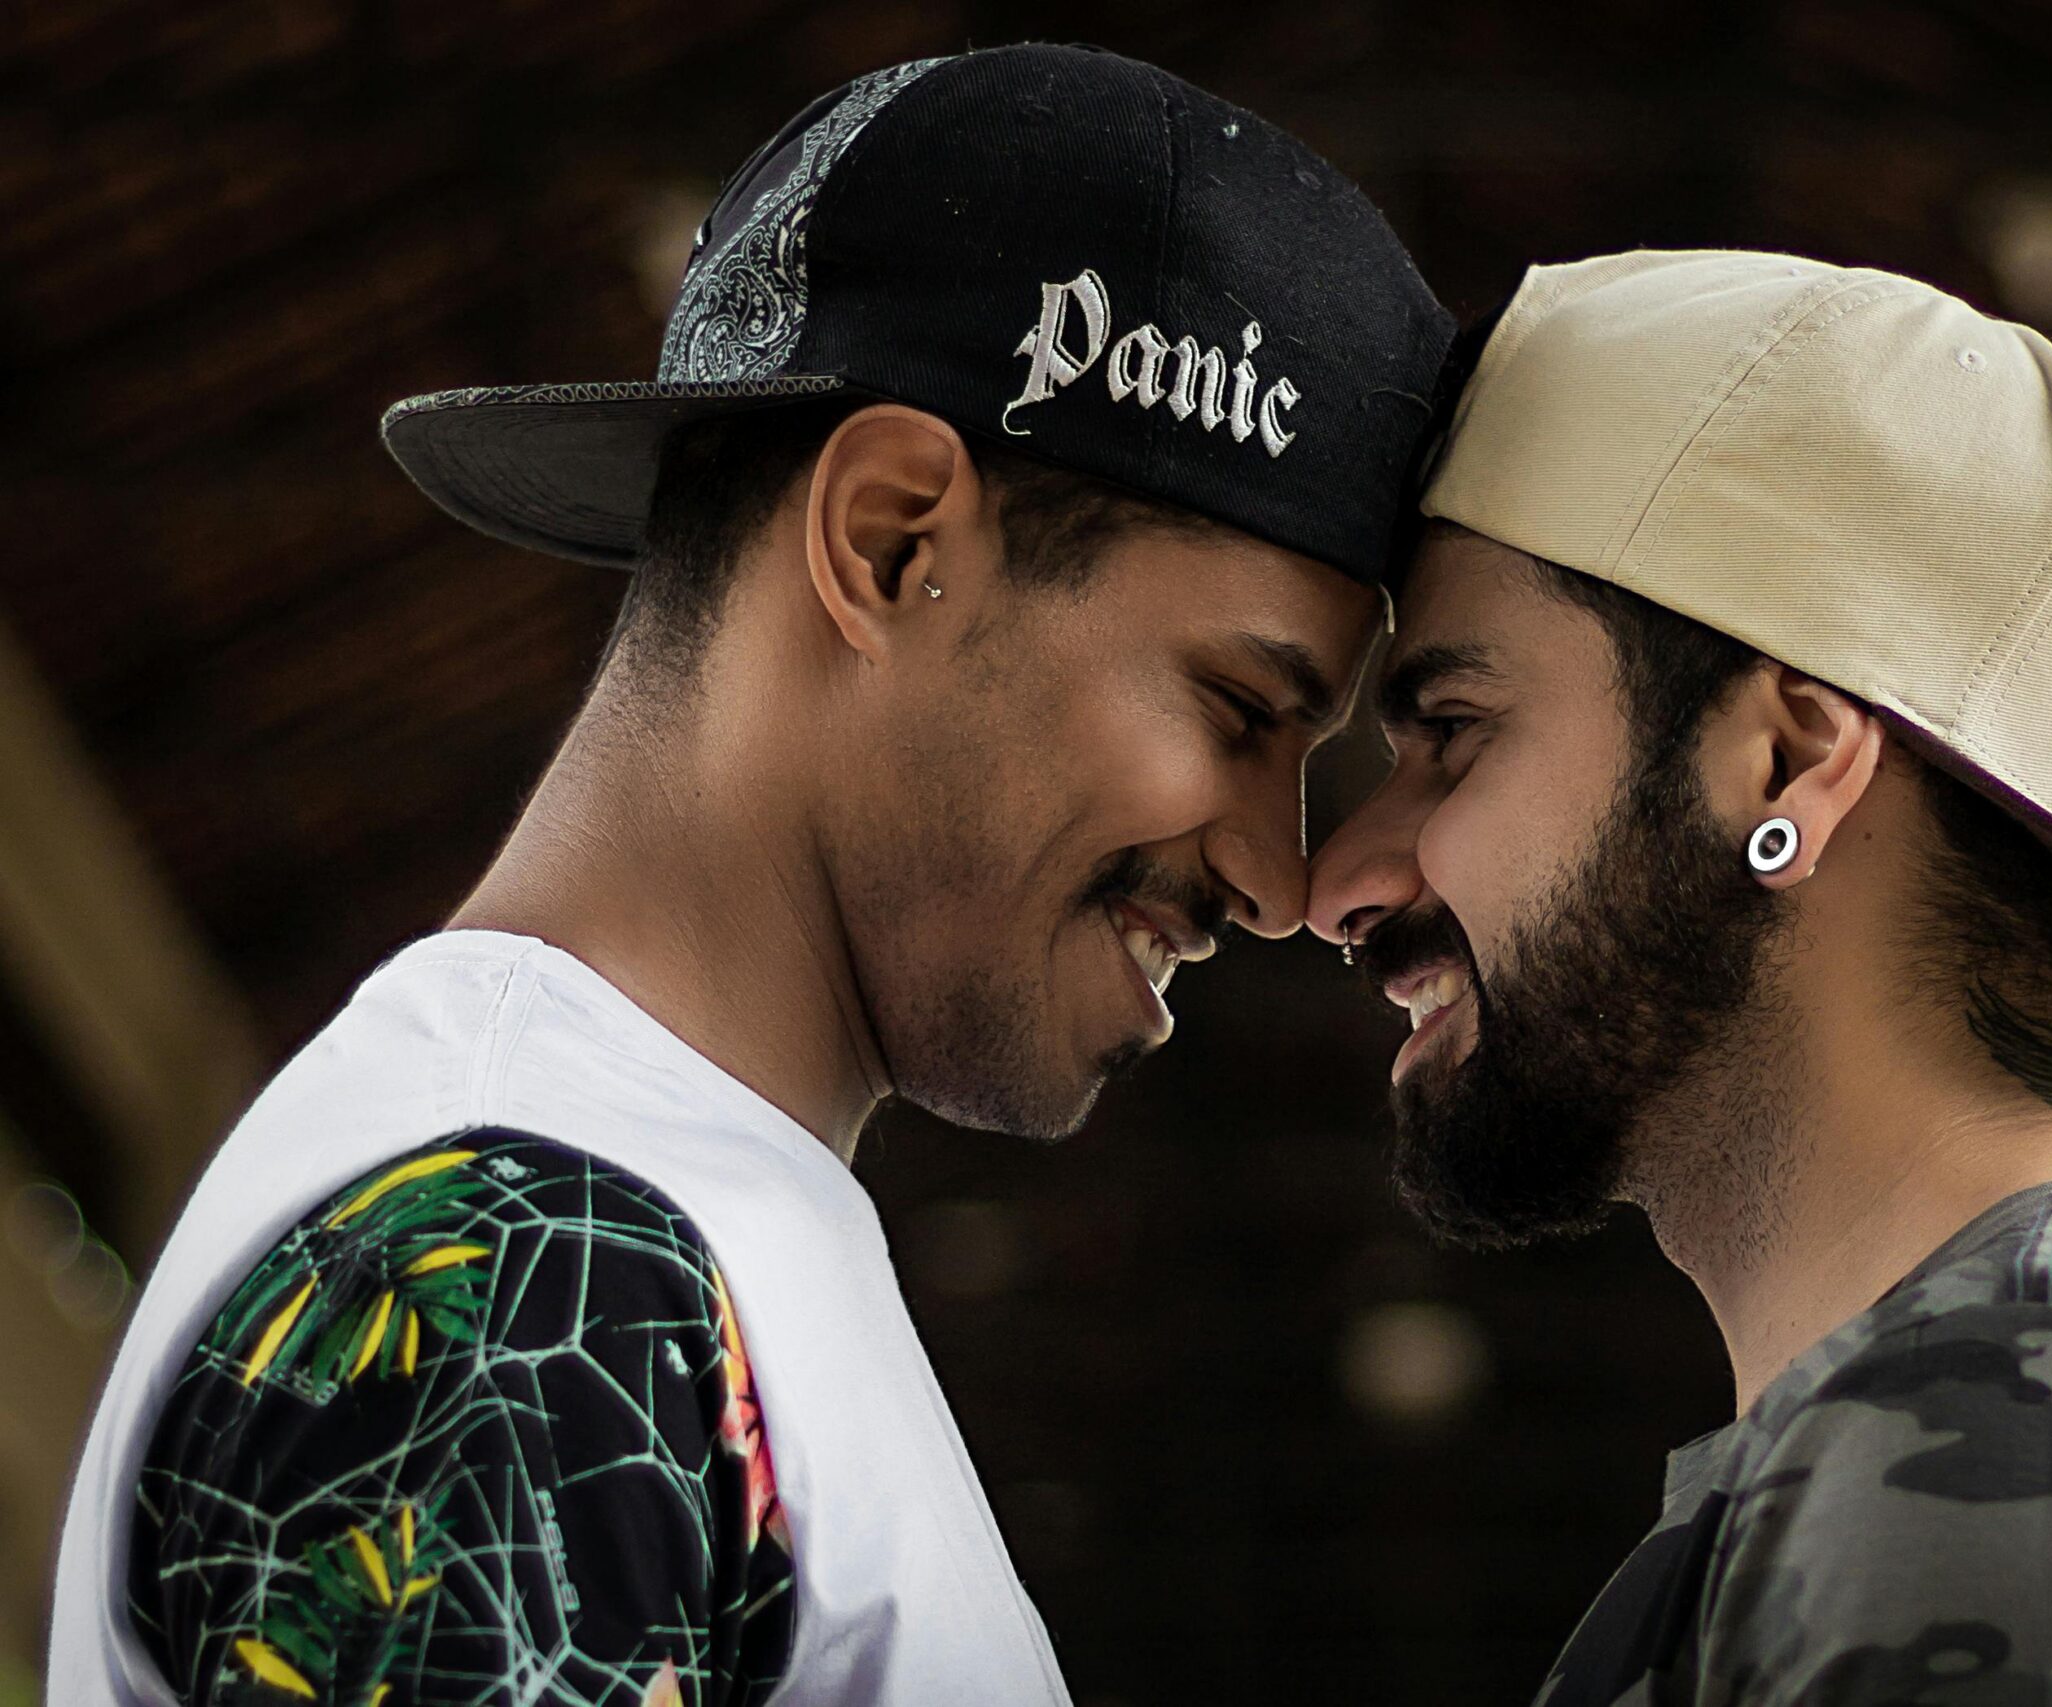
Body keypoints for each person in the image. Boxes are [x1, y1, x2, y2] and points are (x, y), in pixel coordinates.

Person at [54, 44, 1451, 1707]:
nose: (1279, 882)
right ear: (888, 543)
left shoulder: (656, 1234)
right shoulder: (513, 1285)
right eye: (1238, 708)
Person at [1308, 251, 2052, 1705]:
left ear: (1788, 757)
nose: (1337, 882)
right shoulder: (1975, 1439)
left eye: (1454, 730)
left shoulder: (2021, 1476)